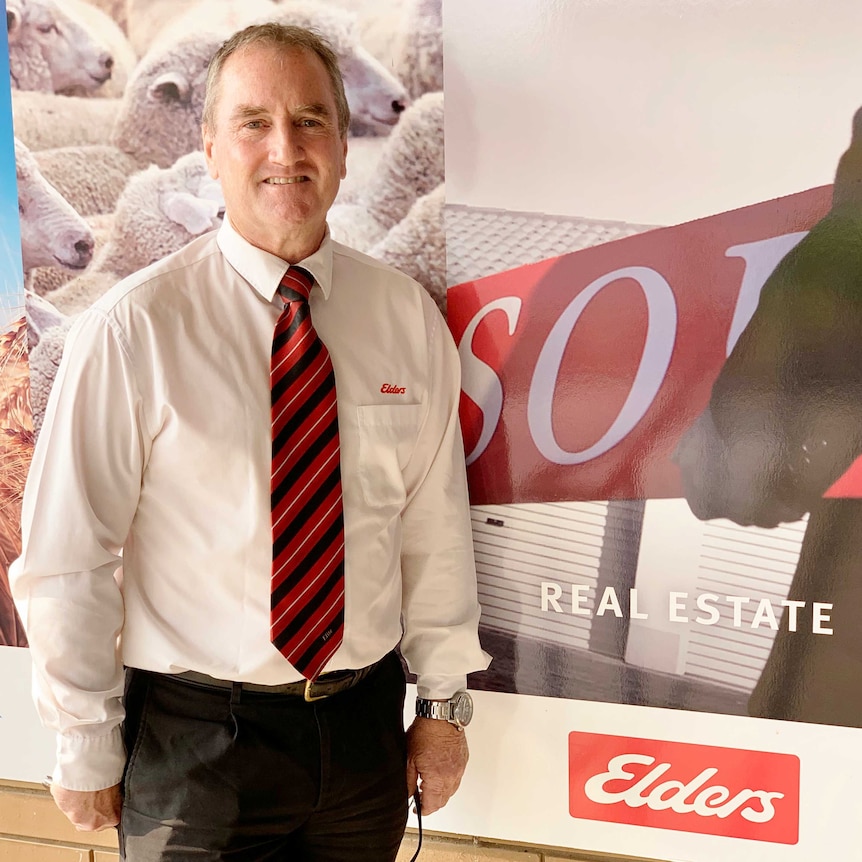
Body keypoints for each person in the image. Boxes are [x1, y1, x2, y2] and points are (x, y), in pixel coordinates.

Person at [10, 22, 489, 862]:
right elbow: (67, 554)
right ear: (207, 144)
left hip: (363, 736)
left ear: (344, 143)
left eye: (310, 120)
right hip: (197, 747)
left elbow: (433, 531)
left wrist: (442, 708)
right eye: (253, 122)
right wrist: (85, 740)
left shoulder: (405, 319)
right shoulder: (132, 329)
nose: (285, 148)